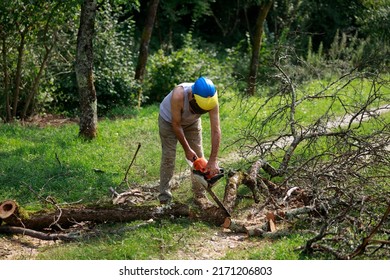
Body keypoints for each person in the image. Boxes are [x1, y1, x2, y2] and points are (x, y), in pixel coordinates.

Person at [158, 76, 221, 206]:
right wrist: (187, 149)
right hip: (169, 121)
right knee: (168, 157)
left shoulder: (212, 99)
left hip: (192, 123)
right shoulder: (179, 94)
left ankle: (199, 195)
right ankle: (164, 196)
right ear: (192, 95)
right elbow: (176, 124)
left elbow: (216, 130)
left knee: (199, 156)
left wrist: (213, 159)